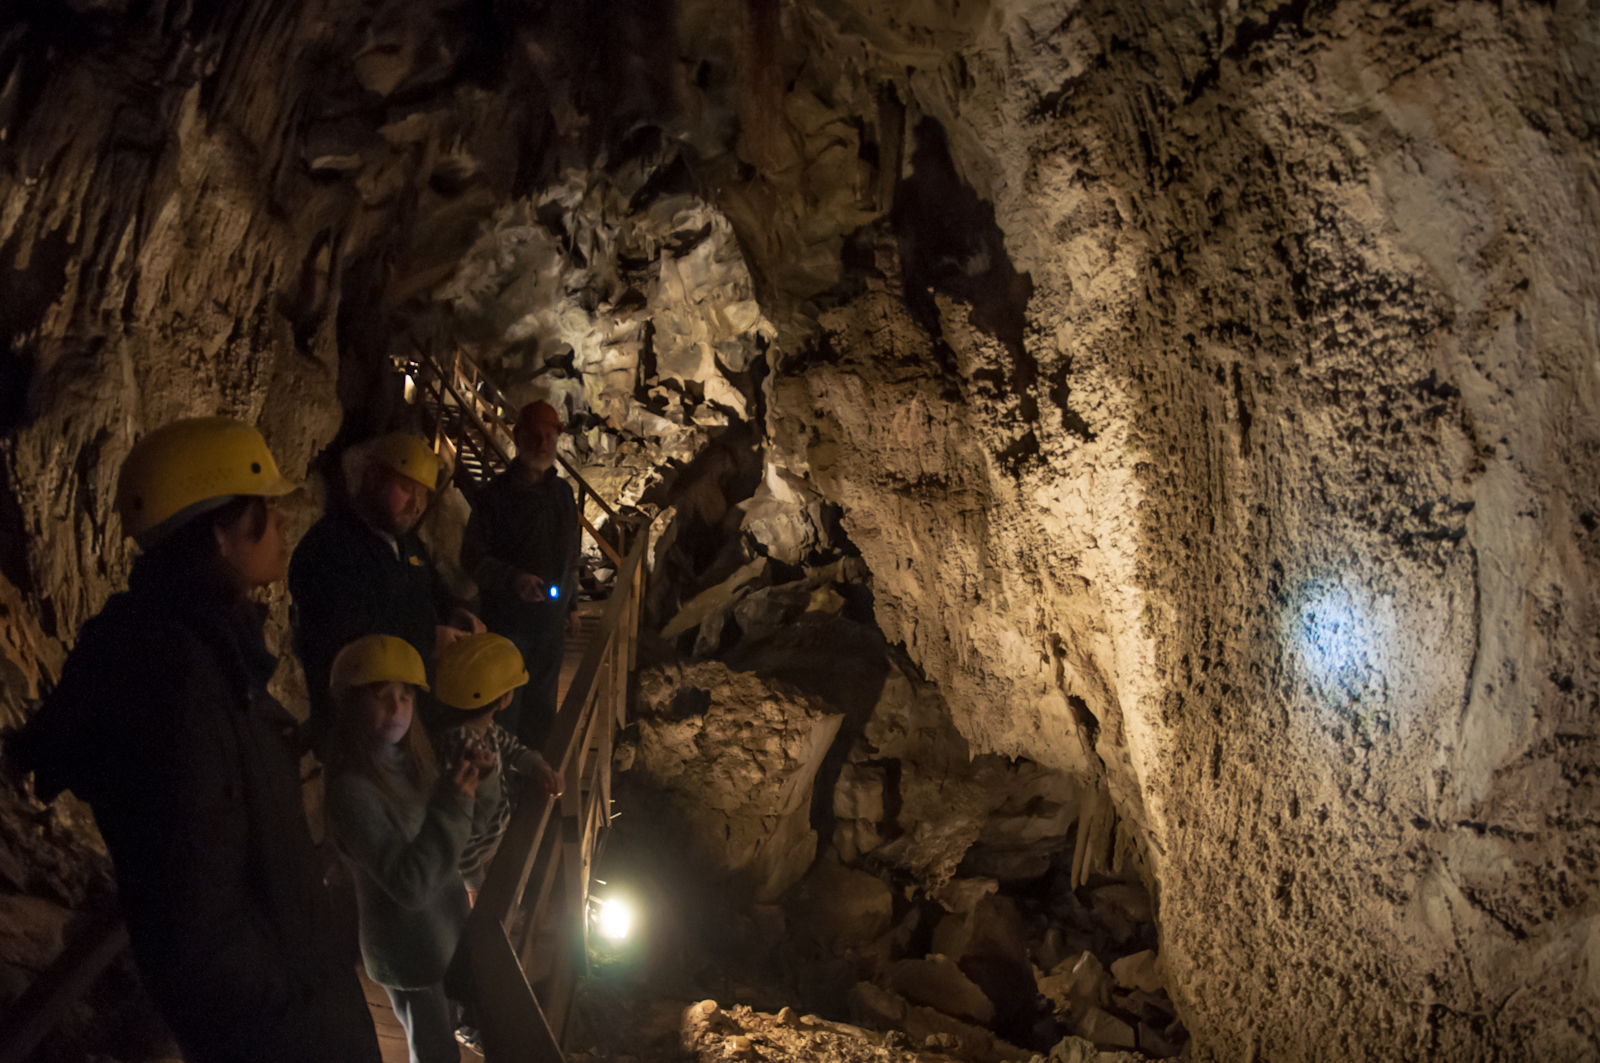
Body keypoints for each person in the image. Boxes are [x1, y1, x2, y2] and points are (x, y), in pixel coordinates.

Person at [5, 417, 382, 1063]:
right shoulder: (175, 682)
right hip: (284, 1031)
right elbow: (197, 925)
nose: (284, 524)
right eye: (266, 510)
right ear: (220, 531)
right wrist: (299, 1009)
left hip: (296, 991)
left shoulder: (205, 649)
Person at [323, 633, 491, 1063]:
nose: (397, 707)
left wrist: (475, 783)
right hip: (408, 950)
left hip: (442, 931)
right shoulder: (353, 791)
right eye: (382, 697)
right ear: (350, 704)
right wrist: (456, 803)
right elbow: (410, 884)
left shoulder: (411, 763)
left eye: (406, 696)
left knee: (449, 1029)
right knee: (434, 1051)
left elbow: (452, 836)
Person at [291, 431, 480, 744]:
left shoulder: (405, 543)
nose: (415, 505)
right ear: (372, 478)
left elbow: (432, 589)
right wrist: (428, 638)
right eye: (406, 488)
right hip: (359, 723)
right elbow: (348, 632)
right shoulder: (330, 547)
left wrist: (457, 615)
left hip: (405, 715)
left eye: (422, 495)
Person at [460, 401, 581, 749]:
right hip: (507, 624)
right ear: (518, 437)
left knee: (542, 707)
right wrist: (512, 579)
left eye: (549, 436)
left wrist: (571, 605)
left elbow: (570, 552)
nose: (543, 443)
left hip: (549, 624)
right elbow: (472, 555)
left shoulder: (563, 494)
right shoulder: (494, 498)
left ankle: (534, 781)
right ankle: (506, 787)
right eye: (535, 436)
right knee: (504, 710)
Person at [433, 632, 565, 897]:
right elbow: (461, 828)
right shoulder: (464, 750)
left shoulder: (483, 729)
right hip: (467, 867)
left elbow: (514, 750)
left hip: (488, 847)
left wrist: (539, 767)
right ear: (505, 698)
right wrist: (473, 884)